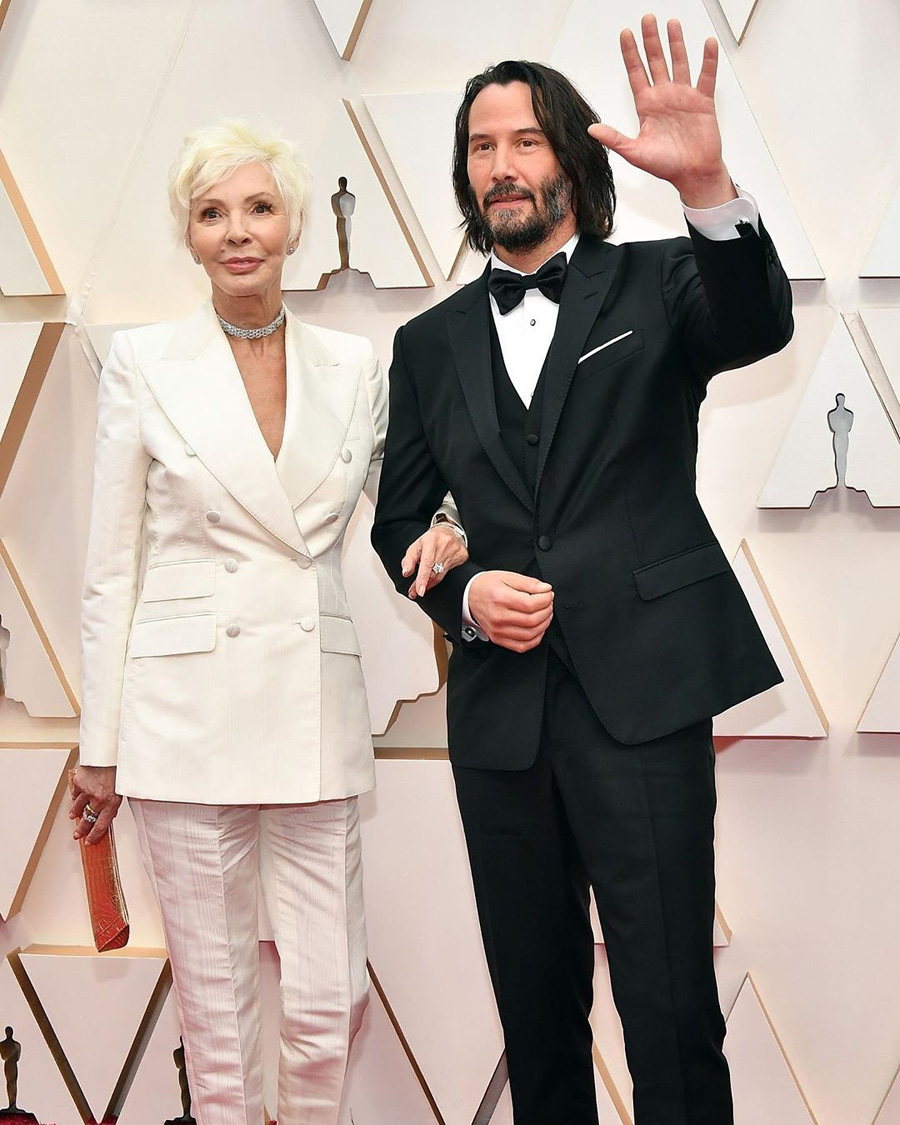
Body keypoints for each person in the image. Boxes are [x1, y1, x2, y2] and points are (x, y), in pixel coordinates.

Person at [372, 17, 792, 1125]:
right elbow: (401, 522)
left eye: (525, 141)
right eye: (481, 147)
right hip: (500, 719)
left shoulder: (660, 280)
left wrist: (705, 186)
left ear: (571, 155)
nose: (502, 166)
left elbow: (758, 323)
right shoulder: (426, 344)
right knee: (534, 1012)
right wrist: (466, 595)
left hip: (642, 697)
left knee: (670, 1006)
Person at [69, 119, 467, 1125]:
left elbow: (405, 497)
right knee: (217, 1016)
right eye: (212, 213)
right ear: (189, 234)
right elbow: (111, 565)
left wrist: (450, 525)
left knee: (332, 998)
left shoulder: (355, 365)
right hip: (181, 713)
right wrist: (100, 745)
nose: (237, 232)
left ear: (293, 224)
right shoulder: (143, 362)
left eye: (257, 208)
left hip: (309, 703)